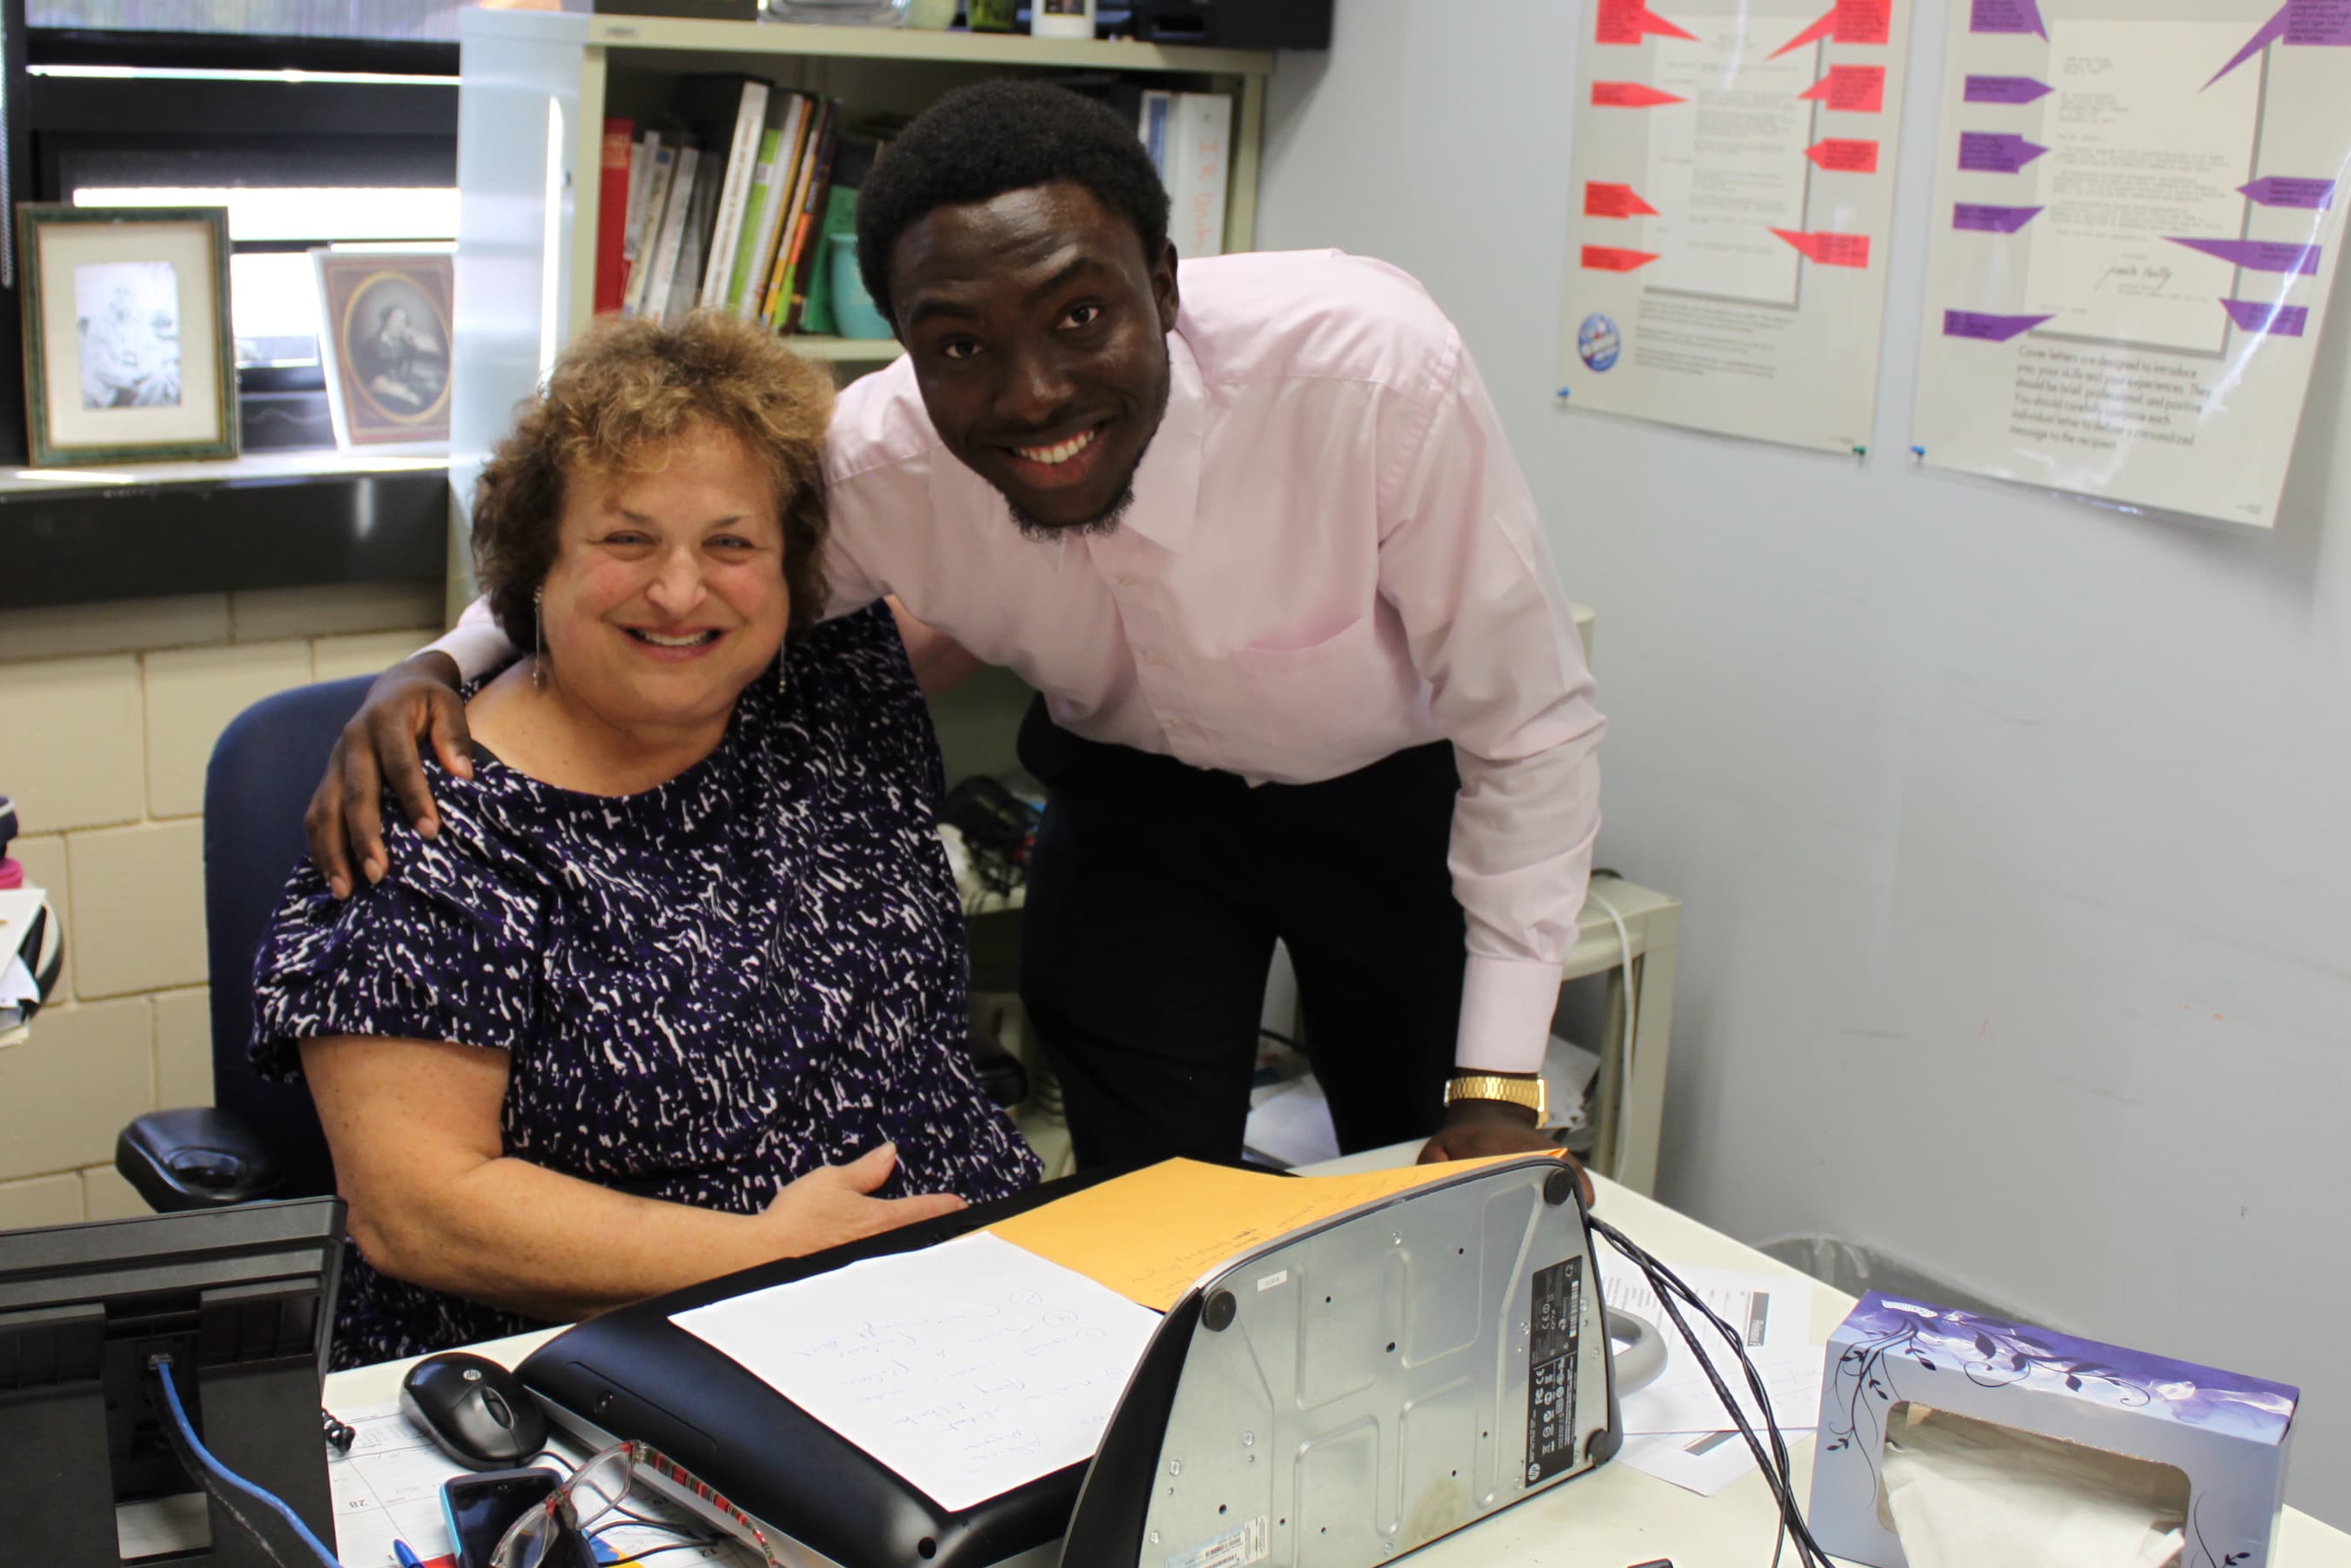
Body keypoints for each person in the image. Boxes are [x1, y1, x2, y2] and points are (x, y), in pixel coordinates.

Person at [313, 79, 1603, 1182]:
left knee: (1442, 1172)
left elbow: (1530, 729)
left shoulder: (1373, 375)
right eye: (961, 345)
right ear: (904, 342)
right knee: (1149, 1212)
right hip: (1139, 810)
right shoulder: (883, 467)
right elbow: (665, 574)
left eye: (1082, 317)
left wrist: (1499, 1091)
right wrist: (446, 659)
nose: (1032, 392)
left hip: (1385, 803)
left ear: (1164, 281)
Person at [255, 313, 1039, 1367]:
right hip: (622, 1364)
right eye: (627, 541)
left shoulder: (831, 682)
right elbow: (417, 1209)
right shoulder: (435, 815)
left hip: (975, 1303)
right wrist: (760, 1253)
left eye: (731, 543)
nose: (680, 591)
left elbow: (1040, 547)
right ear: (539, 564)